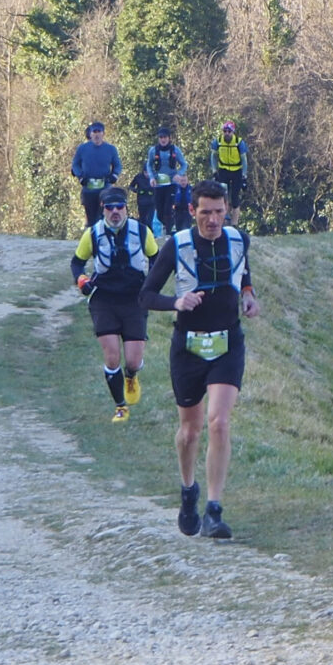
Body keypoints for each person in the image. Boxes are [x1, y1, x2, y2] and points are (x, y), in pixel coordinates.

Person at [143, 183, 258, 541]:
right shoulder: (176, 245)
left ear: (227, 211)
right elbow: (145, 295)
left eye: (219, 212)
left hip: (227, 343)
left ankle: (214, 509)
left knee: (219, 422)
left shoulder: (238, 239)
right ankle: (188, 489)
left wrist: (249, 296)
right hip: (188, 347)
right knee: (190, 431)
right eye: (205, 212)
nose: (213, 220)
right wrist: (176, 303)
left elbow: (243, 274)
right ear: (192, 211)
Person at [70, 185, 159, 421]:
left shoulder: (142, 231)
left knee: (133, 360)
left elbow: (156, 258)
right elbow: (76, 263)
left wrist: (151, 284)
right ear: (103, 209)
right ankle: (121, 407)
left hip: (134, 299)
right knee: (111, 356)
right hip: (104, 299)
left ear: (126, 208)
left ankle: (131, 375)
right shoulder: (92, 234)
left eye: (120, 206)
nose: (115, 212)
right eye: (110, 207)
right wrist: (81, 280)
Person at [70, 121, 123, 230]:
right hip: (88, 187)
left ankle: (104, 234)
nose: (97, 135)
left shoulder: (111, 149)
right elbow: (75, 165)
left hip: (105, 187)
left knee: (103, 215)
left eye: (99, 132)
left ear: (103, 134)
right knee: (91, 218)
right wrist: (80, 176)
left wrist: (114, 175)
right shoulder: (82, 148)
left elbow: (117, 165)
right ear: (90, 134)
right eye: (94, 132)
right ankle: (90, 235)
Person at [142, 126, 191, 234]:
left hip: (171, 184)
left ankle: (170, 231)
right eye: (161, 137)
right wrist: (151, 177)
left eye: (165, 137)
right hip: (159, 185)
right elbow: (149, 165)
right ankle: (168, 226)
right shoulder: (153, 151)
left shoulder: (175, 150)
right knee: (159, 212)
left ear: (169, 138)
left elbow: (184, 164)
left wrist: (179, 174)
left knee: (168, 209)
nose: (163, 140)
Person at [205, 120, 247, 211]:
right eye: (225, 131)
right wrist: (214, 170)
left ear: (233, 132)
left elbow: (244, 159)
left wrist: (244, 175)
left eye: (229, 131)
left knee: (235, 198)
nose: (227, 133)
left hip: (236, 171)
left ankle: (235, 219)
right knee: (222, 196)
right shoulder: (218, 141)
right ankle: (224, 216)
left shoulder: (239, 142)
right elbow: (213, 156)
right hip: (223, 170)